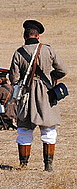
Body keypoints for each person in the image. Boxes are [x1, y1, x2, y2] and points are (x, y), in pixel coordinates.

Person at [9, 20, 67, 172]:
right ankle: (48, 166)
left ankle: (23, 164)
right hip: (46, 94)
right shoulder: (48, 50)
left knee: (24, 130)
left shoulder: (18, 52)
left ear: (25, 36)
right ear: (38, 36)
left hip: (26, 95)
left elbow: (14, 79)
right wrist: (51, 77)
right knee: (48, 129)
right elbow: (63, 70)